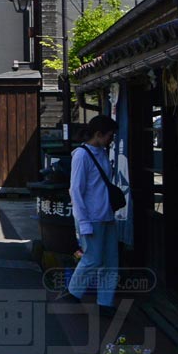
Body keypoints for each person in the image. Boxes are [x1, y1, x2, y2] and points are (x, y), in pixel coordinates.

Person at [64, 114, 120, 317]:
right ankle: (73, 292)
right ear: (98, 134)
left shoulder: (102, 152)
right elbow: (76, 190)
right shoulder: (81, 155)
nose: (111, 139)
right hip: (92, 216)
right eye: (110, 135)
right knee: (93, 259)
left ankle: (105, 302)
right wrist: (83, 221)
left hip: (106, 215)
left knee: (110, 262)